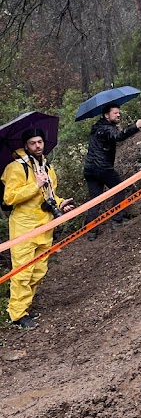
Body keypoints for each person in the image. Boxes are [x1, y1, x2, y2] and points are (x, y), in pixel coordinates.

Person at [1, 127, 74, 329]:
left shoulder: (47, 167)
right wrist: (35, 184)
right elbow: (9, 197)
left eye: (40, 142)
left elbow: (50, 195)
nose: (37, 146)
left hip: (45, 225)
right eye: (33, 143)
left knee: (39, 270)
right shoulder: (15, 168)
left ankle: (25, 307)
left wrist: (60, 203)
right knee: (23, 271)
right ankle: (17, 315)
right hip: (24, 226)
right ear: (26, 145)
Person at [83, 105, 141, 240]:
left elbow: (112, 136)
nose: (118, 115)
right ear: (106, 115)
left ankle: (91, 231)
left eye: (119, 113)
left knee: (95, 200)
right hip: (102, 168)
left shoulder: (98, 128)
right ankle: (116, 220)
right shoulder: (106, 128)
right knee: (120, 189)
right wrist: (135, 126)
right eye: (115, 113)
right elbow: (118, 136)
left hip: (89, 169)